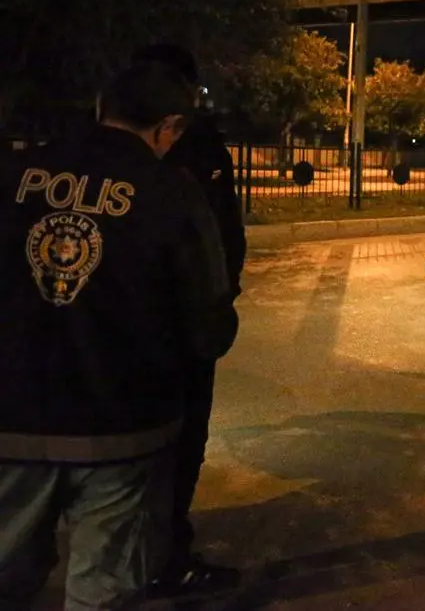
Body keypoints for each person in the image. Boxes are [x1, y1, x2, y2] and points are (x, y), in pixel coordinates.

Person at [0, 62, 239, 611]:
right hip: (121, 430)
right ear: (169, 126)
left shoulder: (11, 175)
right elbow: (208, 328)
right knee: (104, 588)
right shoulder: (172, 193)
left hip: (10, 422)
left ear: (101, 108)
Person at [130, 44, 247, 596]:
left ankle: (143, 550)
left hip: (126, 329)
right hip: (182, 329)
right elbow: (216, 237)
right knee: (176, 446)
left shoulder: (86, 149)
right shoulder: (193, 147)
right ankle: (164, 556)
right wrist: (217, 311)